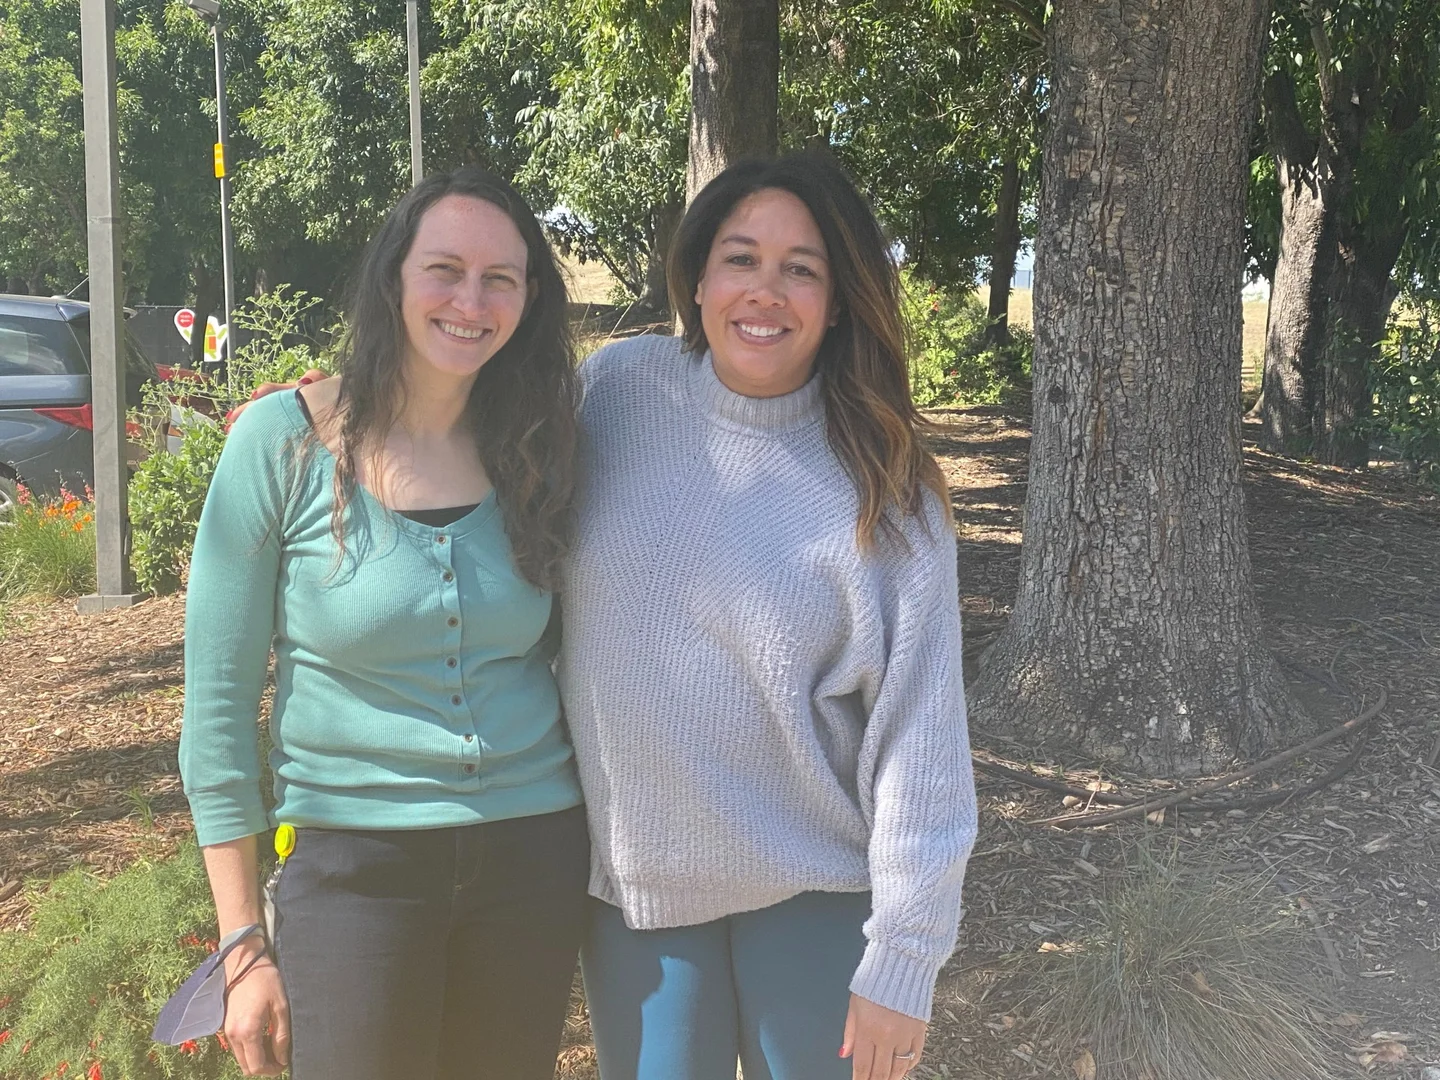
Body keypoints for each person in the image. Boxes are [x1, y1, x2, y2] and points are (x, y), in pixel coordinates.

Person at [559, 153, 977, 1080]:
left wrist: (903, 961)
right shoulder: (614, 394)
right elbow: (472, 438)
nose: (766, 290)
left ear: (836, 301)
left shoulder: (887, 488)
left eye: (802, 269)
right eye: (741, 257)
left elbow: (922, 738)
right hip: (639, 896)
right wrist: (333, 414)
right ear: (700, 278)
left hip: (815, 892)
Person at [178, 166, 589, 1080]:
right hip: (353, 866)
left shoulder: (539, 446)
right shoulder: (280, 446)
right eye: (444, 269)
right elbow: (215, 713)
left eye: (501, 279)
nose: (469, 301)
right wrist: (243, 942)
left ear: (529, 298)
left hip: (533, 854)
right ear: (394, 279)